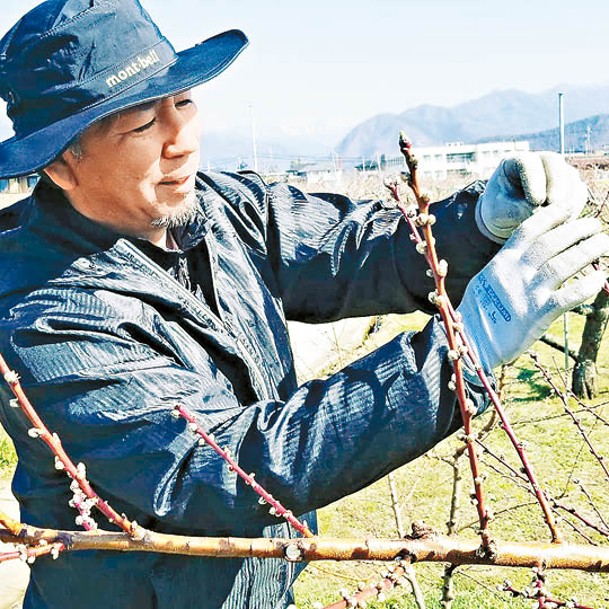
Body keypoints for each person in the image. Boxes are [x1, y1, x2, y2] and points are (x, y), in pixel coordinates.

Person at [0, 1, 606, 608]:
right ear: (61, 165)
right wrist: (463, 351)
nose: (180, 141)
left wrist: (478, 222)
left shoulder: (221, 208)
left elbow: (353, 250)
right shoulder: (41, 316)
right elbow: (220, 467)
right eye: (139, 124)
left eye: (182, 102)